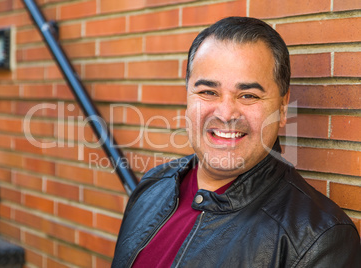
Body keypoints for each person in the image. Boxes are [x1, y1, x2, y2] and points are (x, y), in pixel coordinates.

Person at [112, 17, 361, 268]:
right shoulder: (152, 186)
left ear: (283, 107)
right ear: (187, 95)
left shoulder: (318, 239)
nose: (226, 113)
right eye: (208, 92)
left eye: (248, 95)